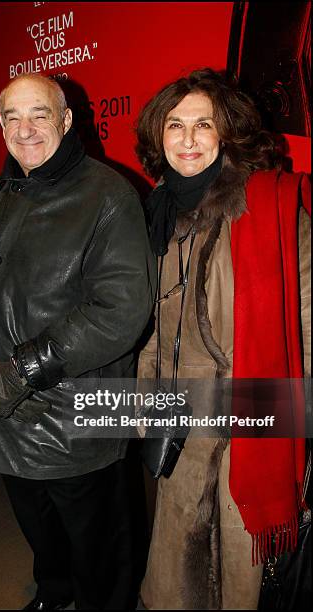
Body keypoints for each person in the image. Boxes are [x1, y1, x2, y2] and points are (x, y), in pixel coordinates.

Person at [0, 73, 156, 611]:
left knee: (100, 550)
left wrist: (21, 371)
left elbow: (119, 311)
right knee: (40, 529)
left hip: (74, 422)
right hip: (5, 415)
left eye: (40, 115)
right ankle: (54, 595)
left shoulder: (108, 195)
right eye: (12, 117)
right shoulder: (5, 191)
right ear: (0, 125)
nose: (26, 130)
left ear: (67, 120)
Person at [136, 68, 310, 610]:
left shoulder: (270, 207)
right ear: (157, 137)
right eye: (174, 125)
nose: (187, 139)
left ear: (227, 134)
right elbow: (145, 327)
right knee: (175, 577)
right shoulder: (154, 214)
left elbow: (307, 316)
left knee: (244, 579)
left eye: (203, 124)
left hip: (253, 425)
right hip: (178, 426)